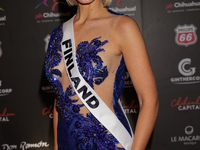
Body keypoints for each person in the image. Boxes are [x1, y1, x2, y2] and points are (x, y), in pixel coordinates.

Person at [44, 0, 159, 149]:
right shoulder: (57, 34)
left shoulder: (122, 26)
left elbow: (149, 100)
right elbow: (60, 97)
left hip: (106, 142)